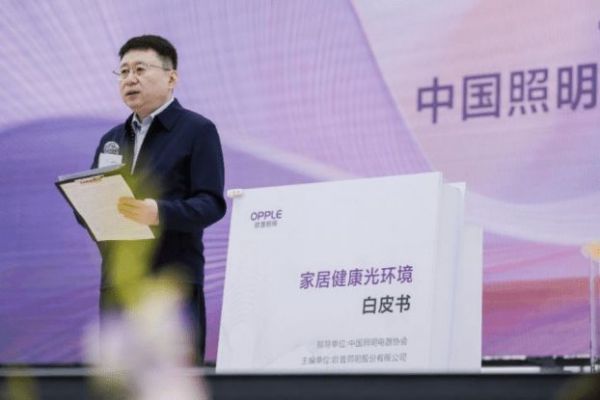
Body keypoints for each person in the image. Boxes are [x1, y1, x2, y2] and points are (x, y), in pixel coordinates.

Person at [87, 35, 226, 364]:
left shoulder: (197, 130)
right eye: (123, 72)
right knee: (117, 380)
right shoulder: (111, 139)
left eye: (140, 69)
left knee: (172, 379)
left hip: (171, 283)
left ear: (171, 77)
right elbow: (93, 203)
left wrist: (158, 212)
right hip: (119, 281)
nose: (130, 79)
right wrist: (88, 209)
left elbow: (211, 203)